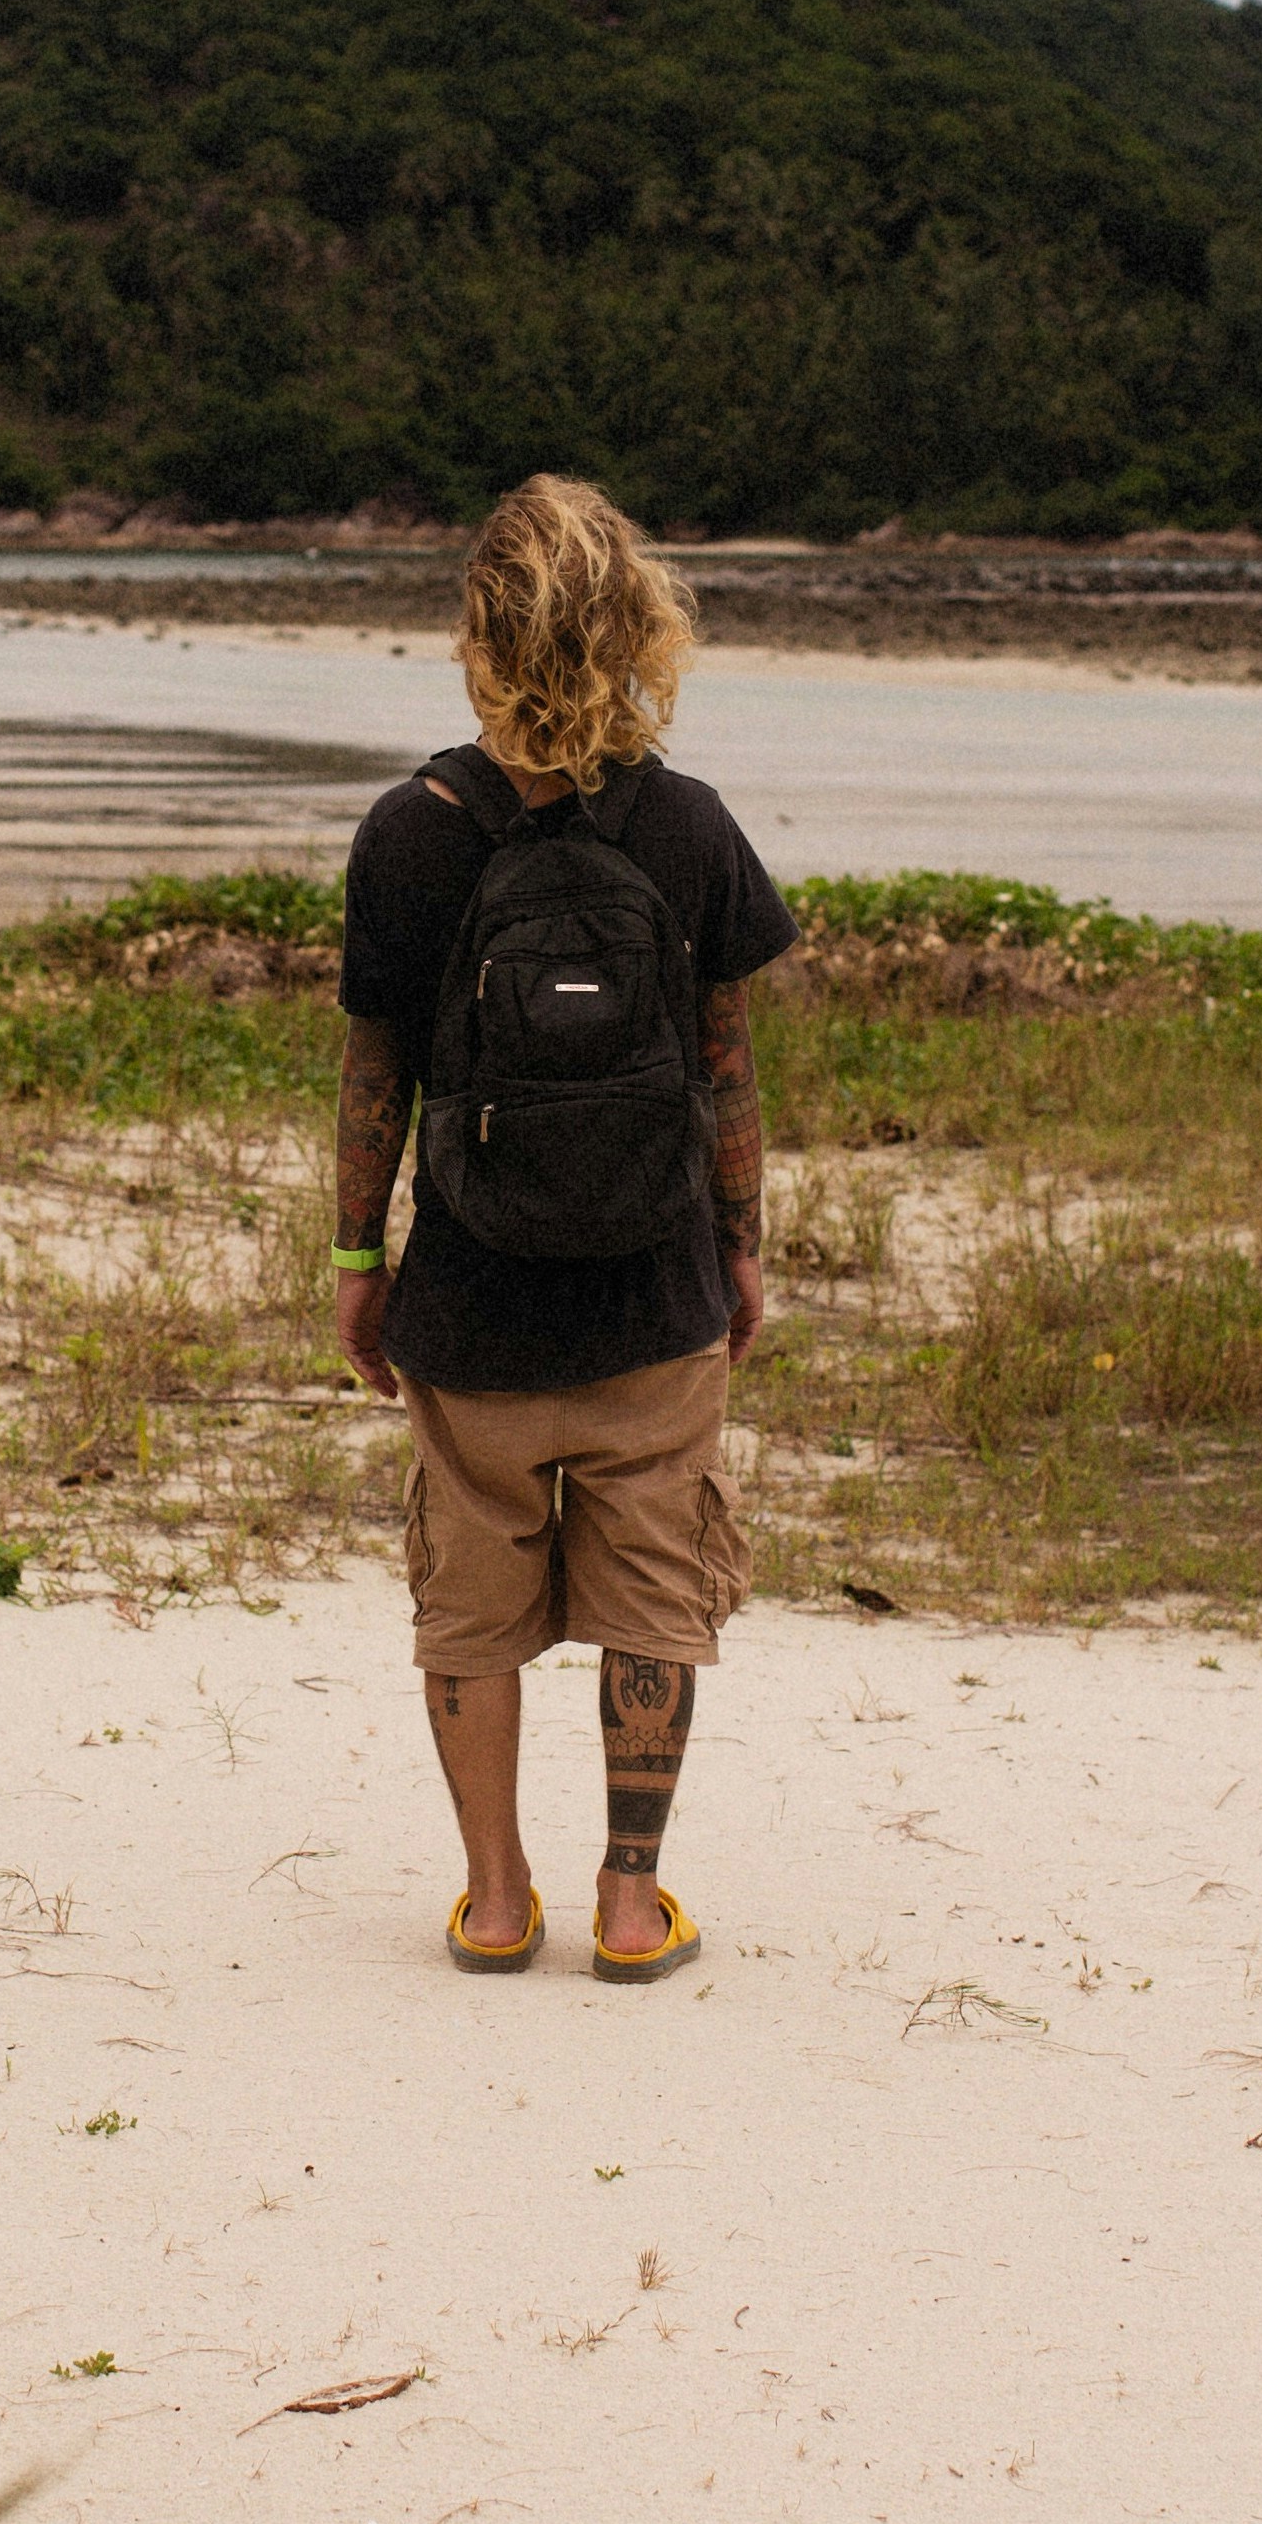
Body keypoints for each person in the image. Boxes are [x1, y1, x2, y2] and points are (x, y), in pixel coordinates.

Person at [335, 476, 798, 1984]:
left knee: (470, 1601)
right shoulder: (688, 826)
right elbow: (725, 1065)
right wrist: (739, 1246)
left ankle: (492, 1901)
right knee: (655, 1589)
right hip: (651, 1296)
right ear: (640, 627)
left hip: (469, 1303)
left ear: (479, 635)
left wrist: (357, 1264)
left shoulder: (411, 836)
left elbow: (378, 1075)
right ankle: (628, 1903)